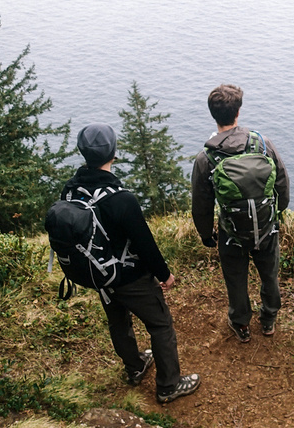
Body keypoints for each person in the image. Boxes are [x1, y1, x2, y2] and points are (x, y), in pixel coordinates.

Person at [61, 123, 200, 403]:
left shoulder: (70, 191)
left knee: (118, 321)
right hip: (130, 278)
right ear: (113, 152)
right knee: (160, 324)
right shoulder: (121, 199)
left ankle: (135, 367)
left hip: (98, 275)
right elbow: (144, 243)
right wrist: (164, 274)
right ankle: (169, 386)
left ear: (83, 153)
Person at [191, 84, 290, 343]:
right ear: (238, 112)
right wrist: (277, 213)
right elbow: (282, 182)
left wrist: (205, 234)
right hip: (267, 227)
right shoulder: (262, 144)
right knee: (269, 275)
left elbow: (201, 203)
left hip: (230, 231)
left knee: (236, 279)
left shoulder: (206, 158)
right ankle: (268, 320)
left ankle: (241, 324)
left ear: (214, 115)